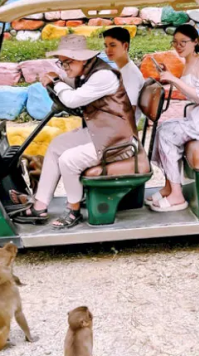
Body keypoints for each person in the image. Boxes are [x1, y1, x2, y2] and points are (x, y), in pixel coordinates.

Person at [9, 34, 138, 229]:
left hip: (118, 141)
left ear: (82, 59)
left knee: (68, 159)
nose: (65, 67)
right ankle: (40, 204)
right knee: (56, 146)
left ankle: (73, 210)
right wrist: (57, 80)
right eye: (61, 63)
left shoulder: (103, 76)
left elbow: (72, 99)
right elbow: (69, 88)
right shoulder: (86, 74)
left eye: (67, 63)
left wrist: (56, 82)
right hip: (102, 133)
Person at [148, 24, 199, 212]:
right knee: (162, 128)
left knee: (167, 134)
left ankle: (177, 195)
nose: (178, 46)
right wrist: (170, 76)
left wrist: (173, 79)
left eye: (183, 42)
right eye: (175, 42)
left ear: (196, 42)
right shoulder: (188, 62)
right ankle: (170, 185)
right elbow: (190, 92)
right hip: (198, 116)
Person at [102, 26, 144, 123]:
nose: (108, 50)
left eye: (113, 45)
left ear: (125, 46)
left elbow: (128, 112)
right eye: (106, 46)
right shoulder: (123, 69)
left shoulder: (130, 74)